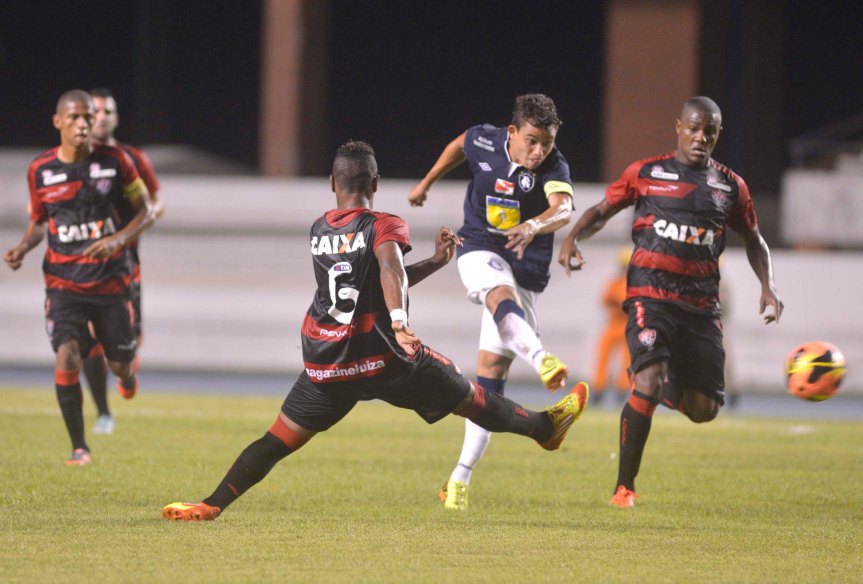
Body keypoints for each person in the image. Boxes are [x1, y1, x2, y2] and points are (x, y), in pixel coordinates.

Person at [162, 141, 588, 521]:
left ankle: (211, 503)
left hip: (325, 364)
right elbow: (388, 268)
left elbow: (379, 280)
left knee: (276, 439)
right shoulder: (385, 223)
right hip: (382, 359)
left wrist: (435, 263)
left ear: (333, 183)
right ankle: (544, 429)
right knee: (470, 398)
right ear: (377, 182)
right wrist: (401, 324)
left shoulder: (320, 228)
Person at [558, 96, 783, 508]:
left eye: (708, 132)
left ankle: (659, 389)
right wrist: (573, 237)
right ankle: (624, 486)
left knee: (706, 408)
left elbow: (754, 238)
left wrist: (767, 286)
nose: (700, 138)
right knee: (646, 378)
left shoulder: (730, 186)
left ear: (717, 135)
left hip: (700, 306)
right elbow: (602, 210)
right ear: (678, 127)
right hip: (649, 294)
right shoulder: (646, 173)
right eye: (693, 129)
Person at [408, 94, 577, 510]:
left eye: (548, 143)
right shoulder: (485, 141)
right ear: (513, 132)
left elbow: (564, 208)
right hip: (478, 245)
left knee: (488, 384)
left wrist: (534, 225)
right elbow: (459, 146)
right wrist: (428, 181)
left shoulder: (554, 167)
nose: (540, 152)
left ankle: (458, 481)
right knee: (497, 293)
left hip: (526, 267)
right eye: (533, 141)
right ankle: (541, 359)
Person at [4, 89, 156, 465]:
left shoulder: (117, 161)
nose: (83, 124)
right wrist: (24, 247)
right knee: (66, 355)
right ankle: (79, 447)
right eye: (74, 117)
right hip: (63, 283)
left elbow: (147, 212)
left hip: (111, 283)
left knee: (120, 362)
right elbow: (40, 221)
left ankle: (125, 374)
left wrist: (117, 240)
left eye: (87, 117)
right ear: (58, 121)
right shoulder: (40, 170)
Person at [77, 88, 163, 436]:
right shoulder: (69, 159)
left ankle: (125, 370)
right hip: (79, 267)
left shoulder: (130, 158)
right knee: (87, 340)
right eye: (93, 112)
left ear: (115, 117)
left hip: (123, 263)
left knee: (124, 349)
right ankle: (102, 412)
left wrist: (124, 236)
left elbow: (155, 204)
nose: (100, 117)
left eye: (107, 111)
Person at [591, 249, 631, 403]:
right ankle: (599, 387)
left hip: (627, 325)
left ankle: (622, 389)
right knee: (603, 355)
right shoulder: (614, 282)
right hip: (613, 324)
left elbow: (623, 303)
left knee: (627, 360)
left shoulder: (633, 284)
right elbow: (606, 300)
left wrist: (618, 303)